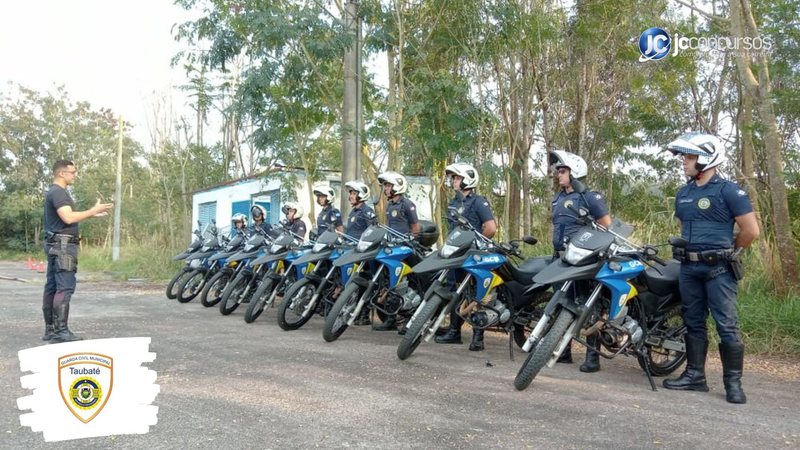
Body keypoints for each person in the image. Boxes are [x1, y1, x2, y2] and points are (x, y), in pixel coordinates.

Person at [662, 132, 759, 404]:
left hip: (719, 270)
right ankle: (695, 377)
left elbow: (751, 231)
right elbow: (684, 227)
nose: (684, 162)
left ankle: (733, 385)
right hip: (689, 269)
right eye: (684, 157)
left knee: (727, 325)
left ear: (706, 159)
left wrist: (729, 252)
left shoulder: (729, 191)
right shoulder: (683, 193)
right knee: (692, 322)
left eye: (689, 157)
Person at [549, 150, 612, 372]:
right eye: (558, 171)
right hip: (560, 259)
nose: (558, 175)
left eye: (562, 171)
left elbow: (605, 224)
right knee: (561, 302)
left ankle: (593, 357)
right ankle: (563, 351)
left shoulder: (590, 196)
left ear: (575, 172)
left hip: (583, 261)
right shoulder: (558, 198)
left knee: (588, 306)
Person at [41, 159, 114, 343]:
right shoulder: (58, 193)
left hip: (55, 243)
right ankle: (61, 331)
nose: (75, 175)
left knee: (52, 287)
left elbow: (68, 218)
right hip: (64, 246)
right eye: (72, 172)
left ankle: (51, 330)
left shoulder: (54, 192)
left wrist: (91, 214)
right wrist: (92, 210)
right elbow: (67, 217)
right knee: (64, 287)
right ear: (61, 173)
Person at [435, 163, 498, 351]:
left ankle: (478, 337)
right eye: (453, 178)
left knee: (477, 294)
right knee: (457, 292)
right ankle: (455, 331)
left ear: (467, 180)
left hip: (474, 256)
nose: (453, 181)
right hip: (456, 255)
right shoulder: (454, 202)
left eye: (457, 178)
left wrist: (476, 244)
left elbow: (490, 228)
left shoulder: (479, 201)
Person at [373, 171, 420, 331]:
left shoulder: (407, 204)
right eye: (385, 185)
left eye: (387, 185)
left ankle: (406, 321)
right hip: (391, 249)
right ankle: (391, 319)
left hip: (404, 250)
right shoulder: (389, 205)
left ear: (397, 186)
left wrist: (409, 240)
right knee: (389, 283)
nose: (385, 188)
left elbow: (415, 228)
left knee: (401, 285)